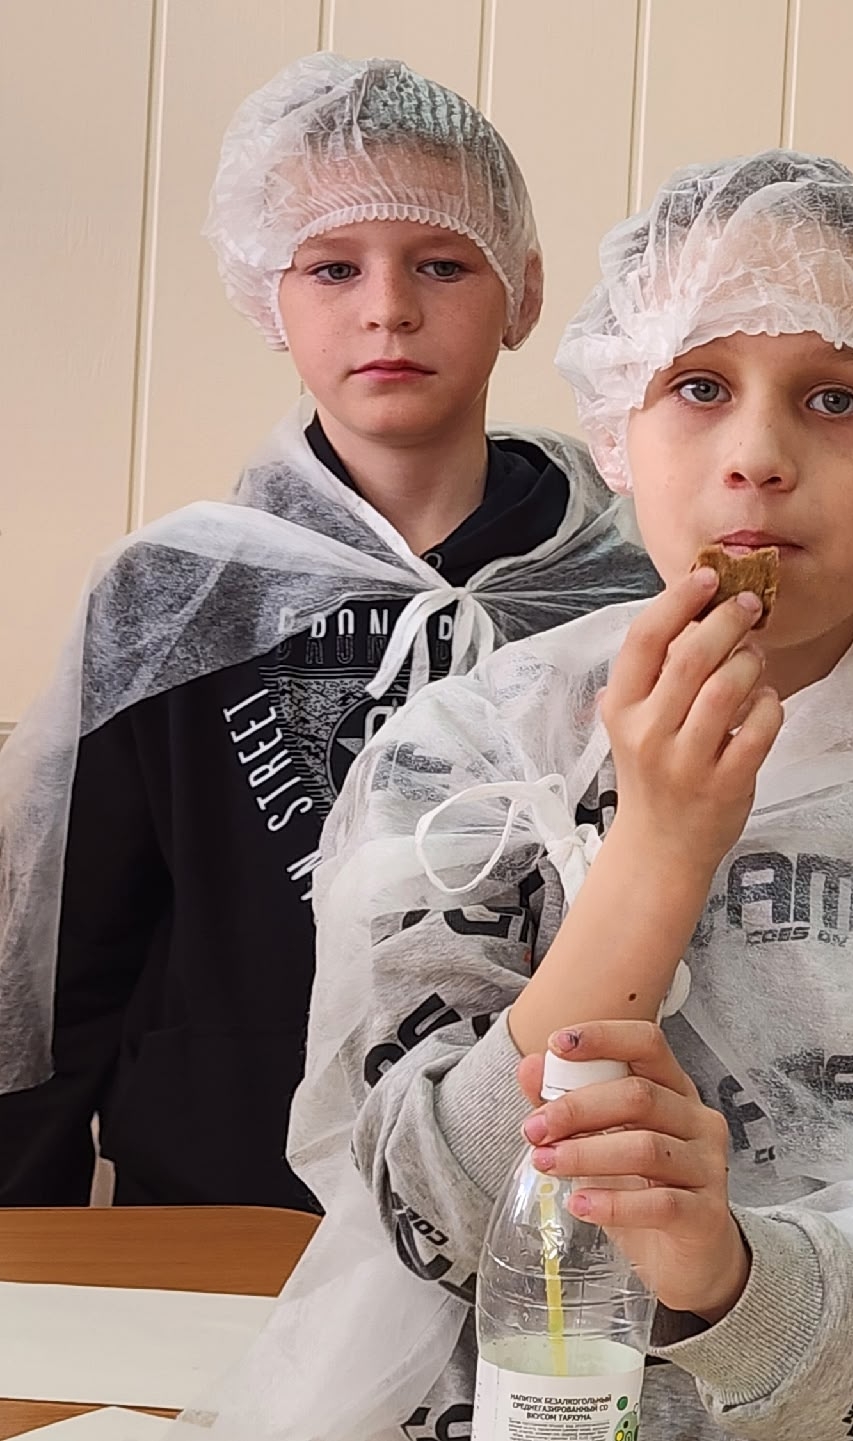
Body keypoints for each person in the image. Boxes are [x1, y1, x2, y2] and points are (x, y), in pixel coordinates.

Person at [185, 150, 853, 1441]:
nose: (758, 456)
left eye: (837, 398)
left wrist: (726, 1270)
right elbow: (424, 1213)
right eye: (699, 386)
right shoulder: (466, 751)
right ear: (617, 426)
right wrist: (660, 852)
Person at [0, 53, 656, 1208]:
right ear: (270, 294)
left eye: (442, 263)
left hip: (543, 1204)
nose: (387, 307)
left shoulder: (630, 587)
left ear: (523, 292)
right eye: (333, 266)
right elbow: (60, 958)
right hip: (221, 1206)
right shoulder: (174, 594)